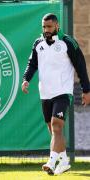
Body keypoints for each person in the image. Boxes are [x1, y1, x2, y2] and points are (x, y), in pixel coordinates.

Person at [22, 13, 90, 175]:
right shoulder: (38, 43)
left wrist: (86, 90)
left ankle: (51, 162)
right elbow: (32, 64)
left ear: (57, 26)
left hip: (63, 92)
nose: (46, 30)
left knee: (56, 126)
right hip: (45, 92)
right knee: (53, 131)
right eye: (44, 27)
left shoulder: (68, 42)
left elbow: (80, 65)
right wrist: (26, 79)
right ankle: (64, 161)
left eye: (49, 27)